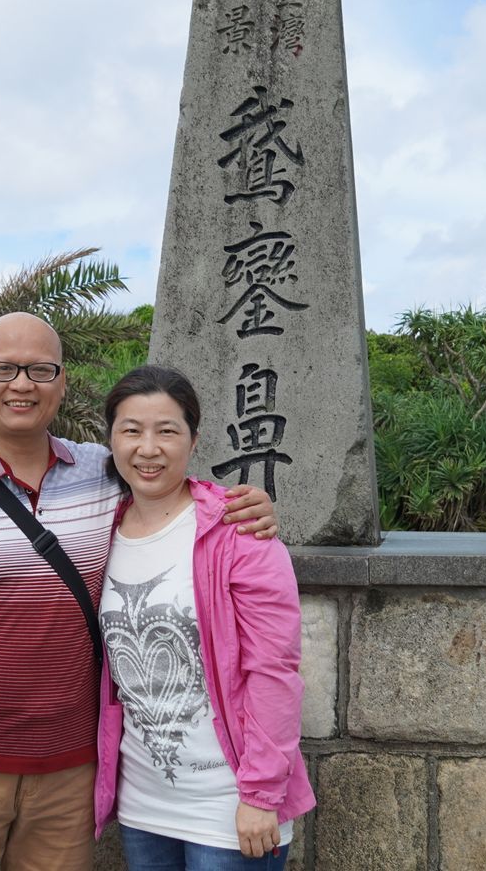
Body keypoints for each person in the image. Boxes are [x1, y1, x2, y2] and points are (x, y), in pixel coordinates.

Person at [0, 313, 276, 871]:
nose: (22, 384)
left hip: (69, 772)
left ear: (62, 382)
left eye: (40, 370)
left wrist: (245, 505)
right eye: (3, 369)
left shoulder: (103, 474)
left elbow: (168, 487)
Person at [93, 366, 314, 870]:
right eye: (131, 430)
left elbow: (274, 671)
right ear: (111, 439)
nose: (148, 448)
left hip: (229, 802)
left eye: (167, 431)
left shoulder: (237, 530)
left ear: (194, 440)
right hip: (142, 803)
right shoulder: (100, 530)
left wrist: (260, 794)